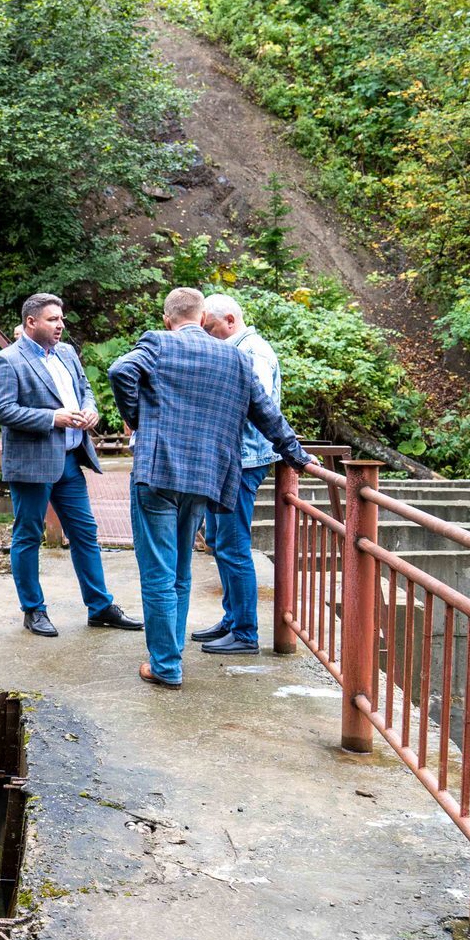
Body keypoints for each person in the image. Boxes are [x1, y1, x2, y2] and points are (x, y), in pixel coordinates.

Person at [107, 287, 311, 689]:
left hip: (158, 471)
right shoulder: (234, 356)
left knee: (158, 572)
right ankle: (170, 654)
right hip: (204, 477)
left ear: (168, 319)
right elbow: (267, 412)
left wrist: (137, 418)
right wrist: (297, 455)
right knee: (180, 569)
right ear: (202, 319)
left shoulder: (158, 343)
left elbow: (119, 372)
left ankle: (165, 664)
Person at [0, 292, 143, 638]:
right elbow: (1, 410)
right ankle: (33, 610)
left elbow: (84, 389)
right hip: (32, 464)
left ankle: (100, 607)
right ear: (31, 322)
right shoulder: (7, 361)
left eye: (62, 319)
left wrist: (91, 410)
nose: (60, 325)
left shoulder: (68, 353)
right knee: (27, 535)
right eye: (53, 319)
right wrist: (52, 417)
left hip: (71, 460)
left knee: (85, 533)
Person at [192, 293, 282, 655]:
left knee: (233, 545)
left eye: (210, 329)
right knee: (219, 539)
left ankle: (245, 633)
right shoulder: (237, 348)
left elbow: (252, 404)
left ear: (229, 320)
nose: (209, 336)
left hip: (244, 459)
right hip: (231, 457)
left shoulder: (253, 352)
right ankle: (232, 619)